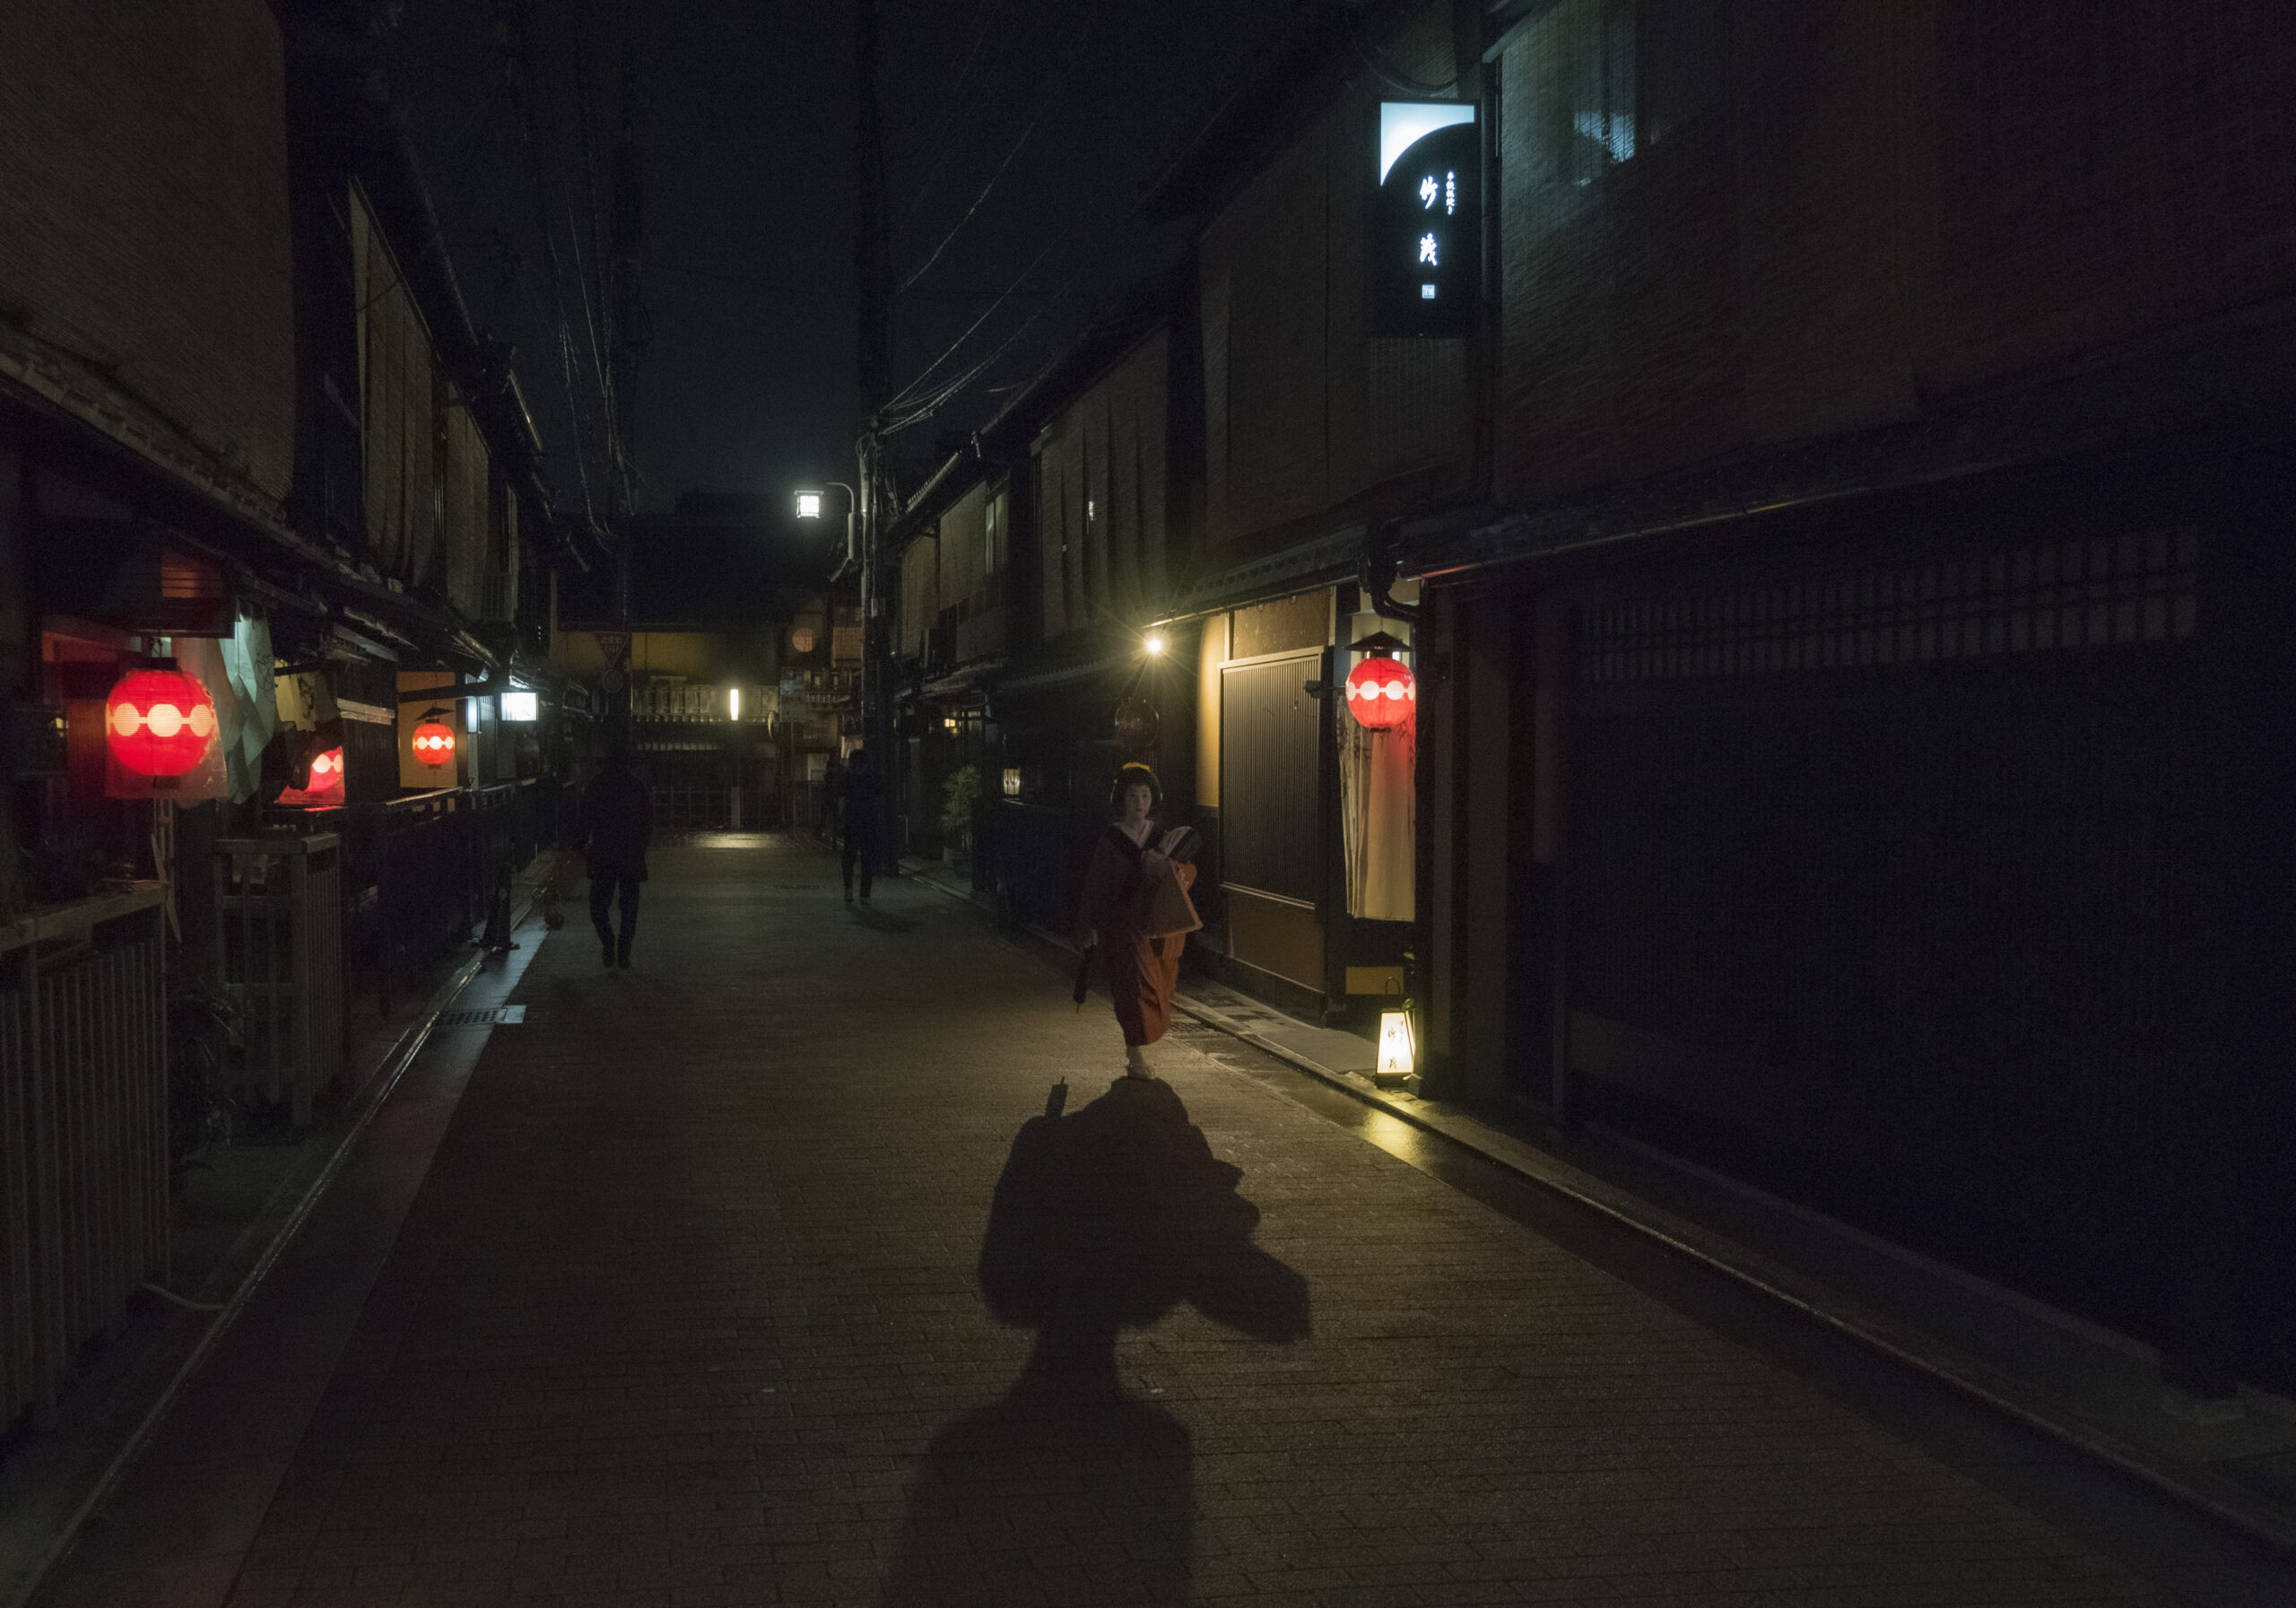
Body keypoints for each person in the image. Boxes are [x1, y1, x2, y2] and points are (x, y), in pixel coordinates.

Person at [1077, 762, 1199, 1078]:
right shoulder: (1111, 839)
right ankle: (1135, 1054)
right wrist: (1090, 925)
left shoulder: (1161, 836)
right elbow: (1097, 883)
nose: (1140, 802)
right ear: (1123, 799)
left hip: (1156, 925)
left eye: (1145, 795)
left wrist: (1177, 873)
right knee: (1131, 987)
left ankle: (1139, 1047)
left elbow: (1184, 872)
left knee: (1159, 984)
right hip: (1122, 925)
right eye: (1133, 795)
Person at [577, 743, 652, 969]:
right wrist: (641, 849)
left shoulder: (596, 785)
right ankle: (624, 950)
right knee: (629, 907)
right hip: (630, 854)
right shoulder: (636, 787)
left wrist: (580, 844)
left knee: (598, 905)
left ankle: (608, 941)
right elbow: (647, 822)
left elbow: (584, 819)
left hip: (603, 854)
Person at [838, 745, 884, 903]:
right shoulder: (873, 777)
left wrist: (840, 819)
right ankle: (864, 894)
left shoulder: (847, 777)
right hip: (869, 823)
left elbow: (842, 799)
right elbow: (880, 795)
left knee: (849, 859)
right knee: (867, 860)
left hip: (852, 823)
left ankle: (849, 890)